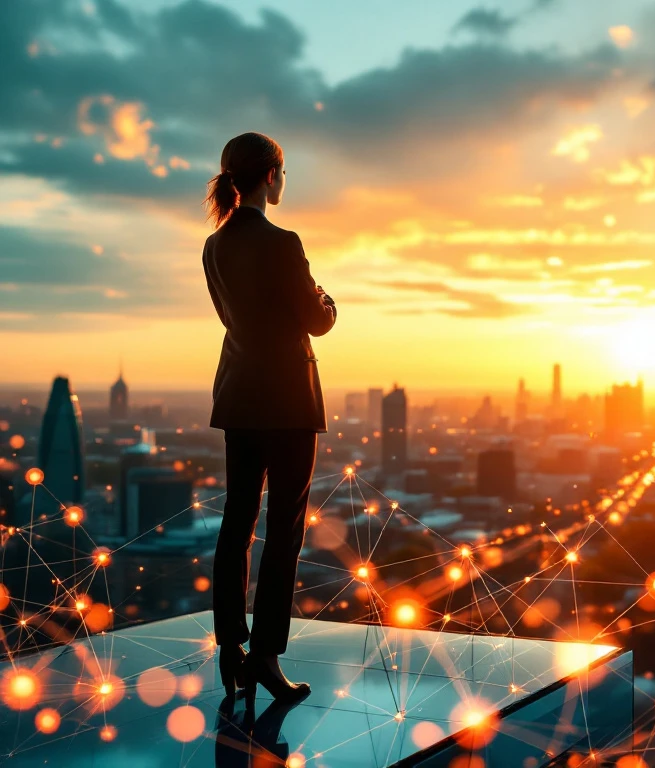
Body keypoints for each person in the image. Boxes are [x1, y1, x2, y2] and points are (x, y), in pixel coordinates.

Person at [201, 132, 337, 706]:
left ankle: (231, 648)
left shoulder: (214, 246)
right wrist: (327, 298)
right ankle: (265, 658)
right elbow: (317, 319)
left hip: (239, 395)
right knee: (283, 528)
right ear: (271, 176)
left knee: (237, 523)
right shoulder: (284, 242)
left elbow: (232, 317)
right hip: (286, 401)